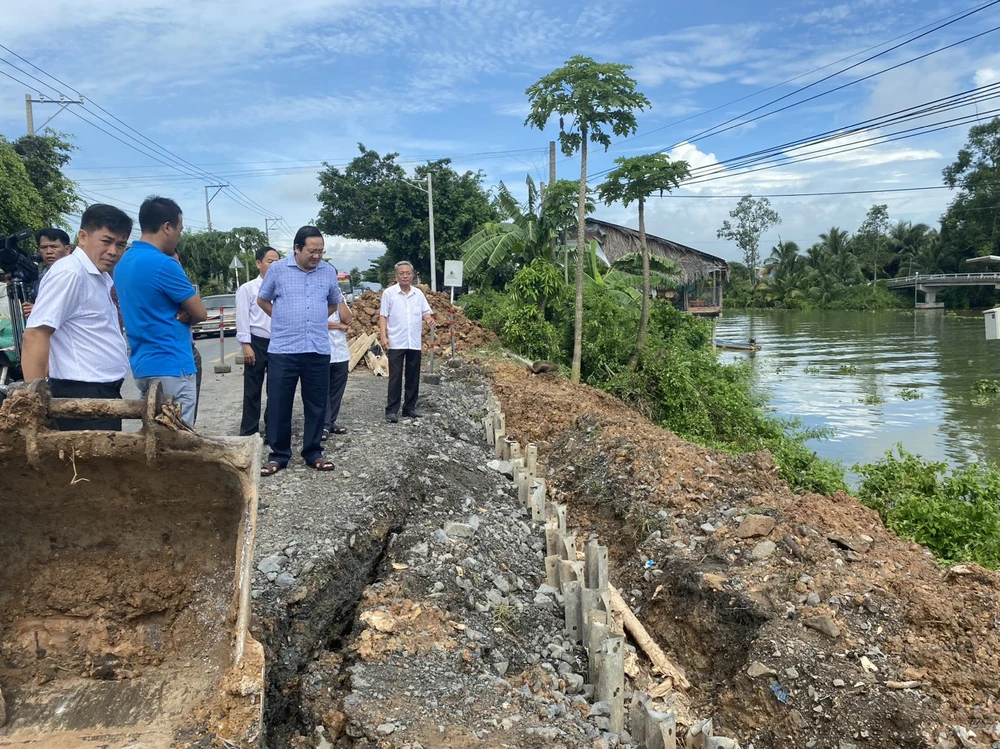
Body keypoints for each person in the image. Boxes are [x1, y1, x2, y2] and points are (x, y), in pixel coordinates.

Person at [20, 204, 133, 430]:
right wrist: (36, 405)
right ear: (83, 236)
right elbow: (35, 334)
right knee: (89, 465)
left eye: (120, 244)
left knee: (104, 464)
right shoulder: (70, 273)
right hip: (81, 396)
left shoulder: (98, 276)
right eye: (106, 241)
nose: (113, 251)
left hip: (100, 394)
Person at [256, 226, 343, 476]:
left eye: (320, 251)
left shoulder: (327, 272)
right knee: (279, 403)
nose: (316, 256)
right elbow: (263, 299)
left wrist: (314, 320)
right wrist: (281, 317)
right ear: (297, 248)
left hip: (316, 348)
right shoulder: (278, 270)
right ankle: (278, 455)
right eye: (312, 251)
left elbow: (333, 302)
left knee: (316, 404)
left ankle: (313, 452)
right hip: (284, 349)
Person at [114, 196, 207, 425]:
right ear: (167, 227)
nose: (179, 236)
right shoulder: (164, 264)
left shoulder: (123, 262)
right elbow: (201, 313)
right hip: (172, 365)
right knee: (177, 440)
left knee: (154, 437)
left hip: (142, 366)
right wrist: (186, 312)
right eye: (180, 229)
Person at [379, 261, 435, 423]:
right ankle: (392, 410)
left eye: (408, 273)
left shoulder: (418, 294)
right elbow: (383, 316)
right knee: (395, 376)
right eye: (402, 273)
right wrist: (384, 336)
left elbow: (425, 312)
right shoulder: (389, 293)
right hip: (396, 341)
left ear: (412, 275)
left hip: (414, 341)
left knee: (413, 375)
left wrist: (429, 319)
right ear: (396, 276)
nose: (405, 276)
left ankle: (409, 408)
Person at [236, 246, 280, 436]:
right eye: (270, 261)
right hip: (256, 342)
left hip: (279, 342)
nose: (274, 265)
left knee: (277, 389)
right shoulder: (248, 289)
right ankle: (249, 432)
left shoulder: (282, 287)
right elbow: (242, 318)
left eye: (278, 261)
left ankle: (273, 431)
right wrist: (246, 345)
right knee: (252, 389)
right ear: (258, 263)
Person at [22, 228, 72, 318]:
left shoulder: (74, 274)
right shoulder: (41, 277)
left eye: (54, 247)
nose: (49, 252)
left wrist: (39, 310)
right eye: (44, 247)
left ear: (67, 249)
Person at [323, 298, 353, 439]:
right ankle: (323, 424)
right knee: (323, 389)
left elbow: (347, 319)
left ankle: (331, 421)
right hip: (323, 349)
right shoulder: (316, 295)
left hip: (340, 351)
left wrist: (339, 299)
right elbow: (314, 322)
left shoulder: (339, 297)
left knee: (337, 389)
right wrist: (338, 326)